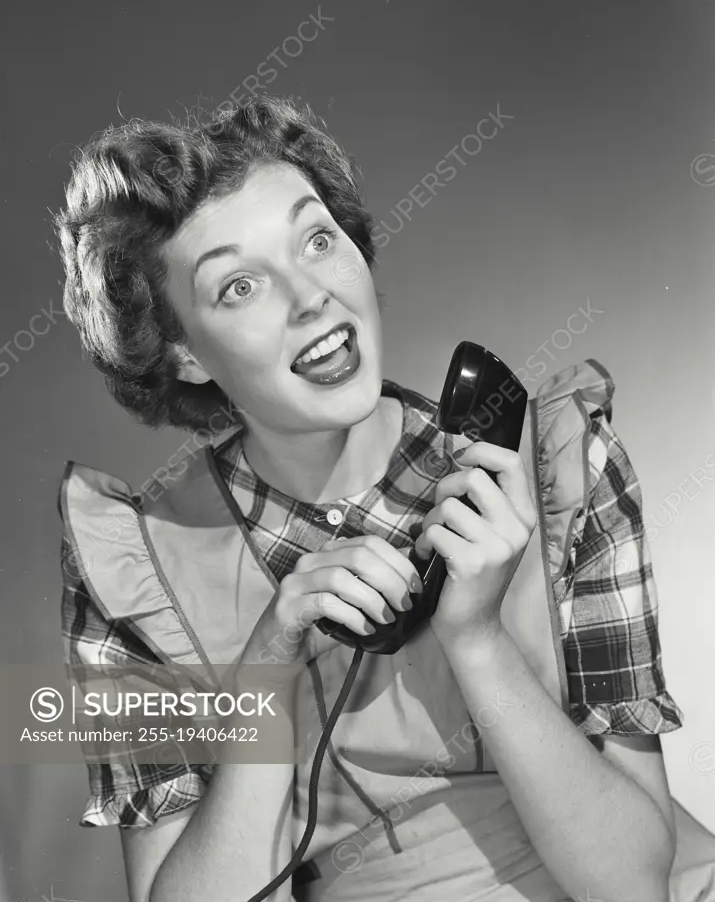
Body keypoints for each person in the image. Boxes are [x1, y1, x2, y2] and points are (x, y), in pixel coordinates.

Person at [54, 95, 683, 902]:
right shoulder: (128, 566)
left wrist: (479, 640)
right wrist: (264, 670)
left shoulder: (561, 463)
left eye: (317, 238)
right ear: (180, 354)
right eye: (240, 286)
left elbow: (632, 885)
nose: (311, 295)